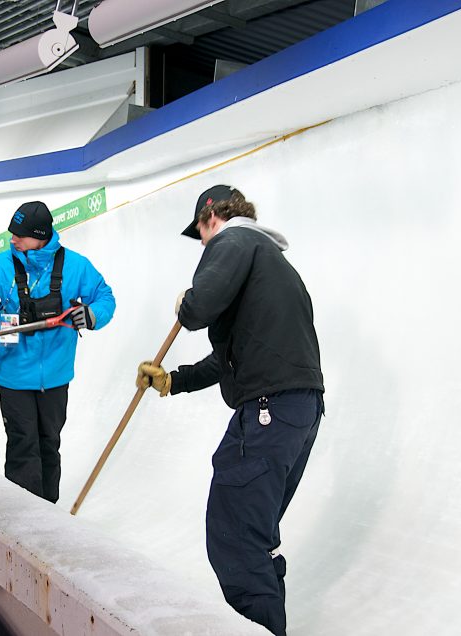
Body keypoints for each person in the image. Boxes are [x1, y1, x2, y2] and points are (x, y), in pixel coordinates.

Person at [136, 185, 324, 636]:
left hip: (268, 412)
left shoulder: (233, 241)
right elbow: (228, 360)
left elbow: (198, 309)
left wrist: (187, 301)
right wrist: (173, 380)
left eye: (200, 234)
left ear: (210, 218)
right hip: (297, 410)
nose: (201, 244)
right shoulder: (269, 262)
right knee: (251, 536)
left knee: (236, 539)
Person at [0, 201, 115, 503]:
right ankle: (22, 518)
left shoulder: (75, 266)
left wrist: (92, 315)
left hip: (55, 374)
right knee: (23, 444)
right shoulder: (2, 265)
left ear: (40, 236)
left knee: (49, 443)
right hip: (12, 373)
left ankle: (48, 512)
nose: (13, 239)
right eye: (12, 233)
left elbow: (104, 297)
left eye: (19, 235)